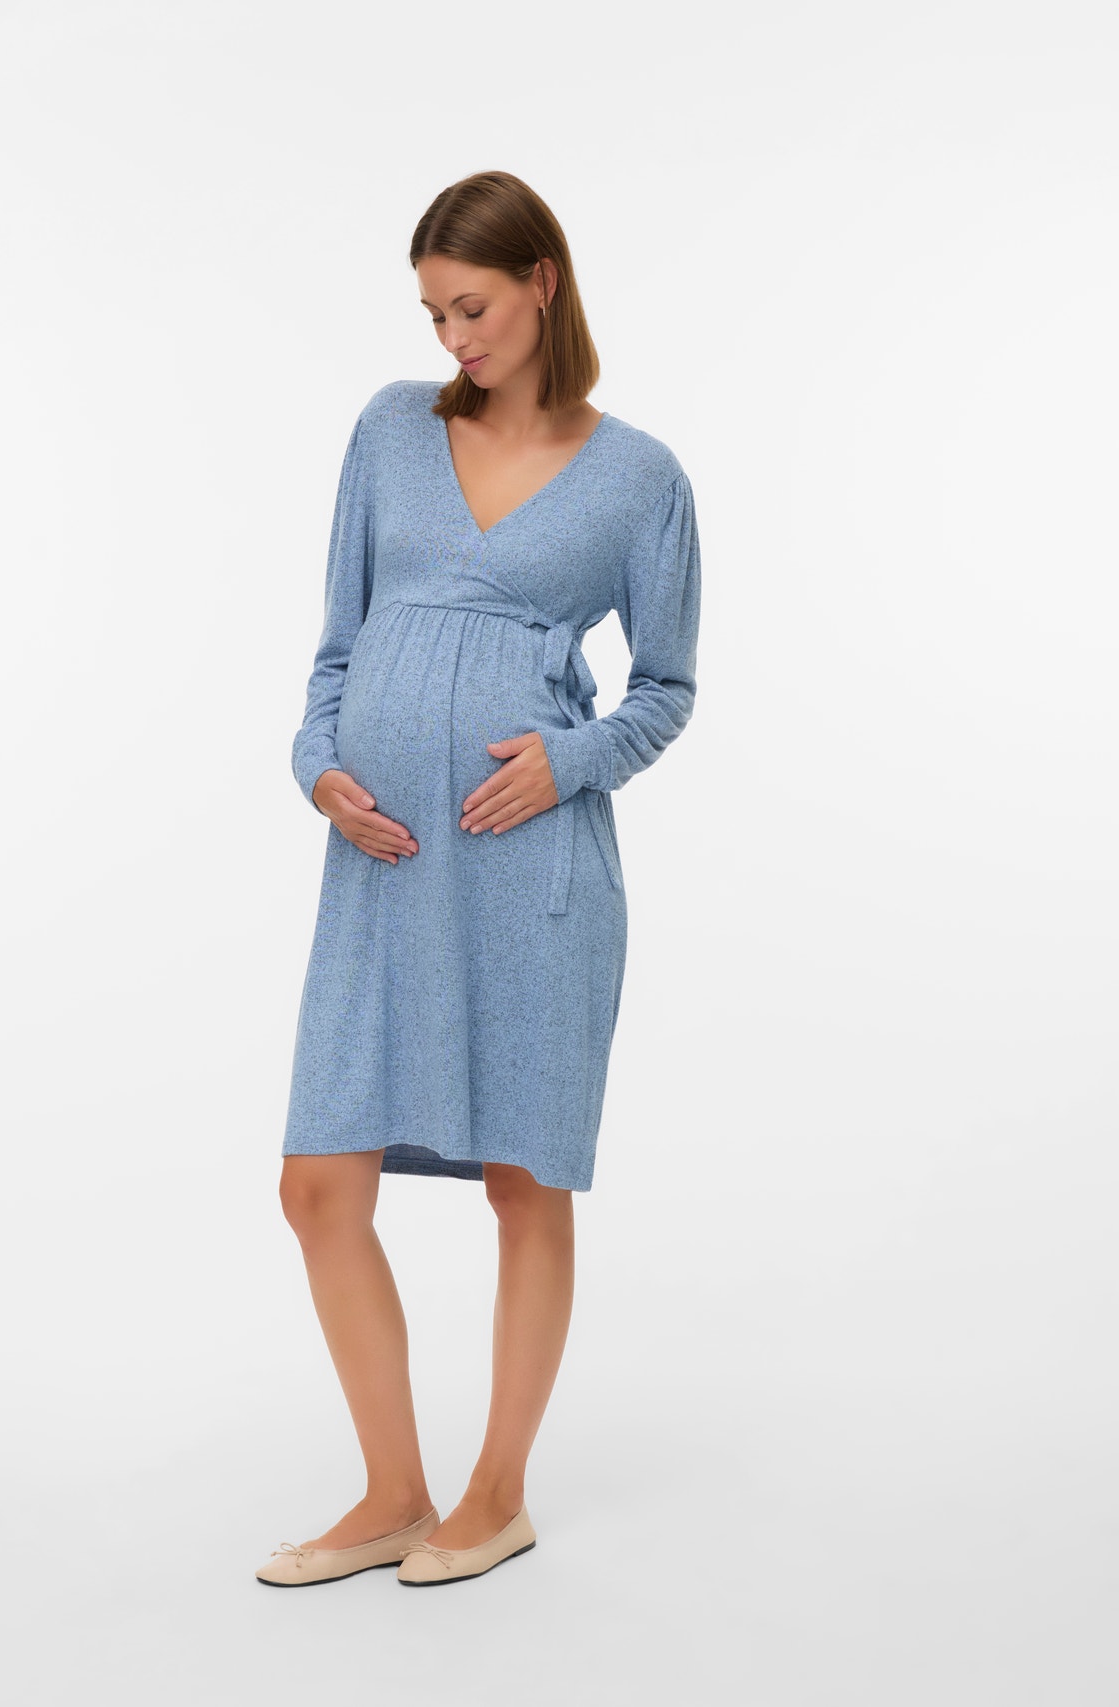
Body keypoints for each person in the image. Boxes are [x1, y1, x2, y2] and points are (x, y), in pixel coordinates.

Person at [258, 170, 702, 1589]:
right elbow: (338, 646)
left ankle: (495, 1495)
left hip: (529, 873)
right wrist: (318, 767)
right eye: (434, 313)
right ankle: (394, 1491)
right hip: (382, 865)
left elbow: (667, 689)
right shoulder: (391, 430)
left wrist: (569, 762)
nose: (454, 337)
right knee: (318, 1185)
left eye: (474, 307)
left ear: (542, 284)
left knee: (524, 1182)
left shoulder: (640, 478)